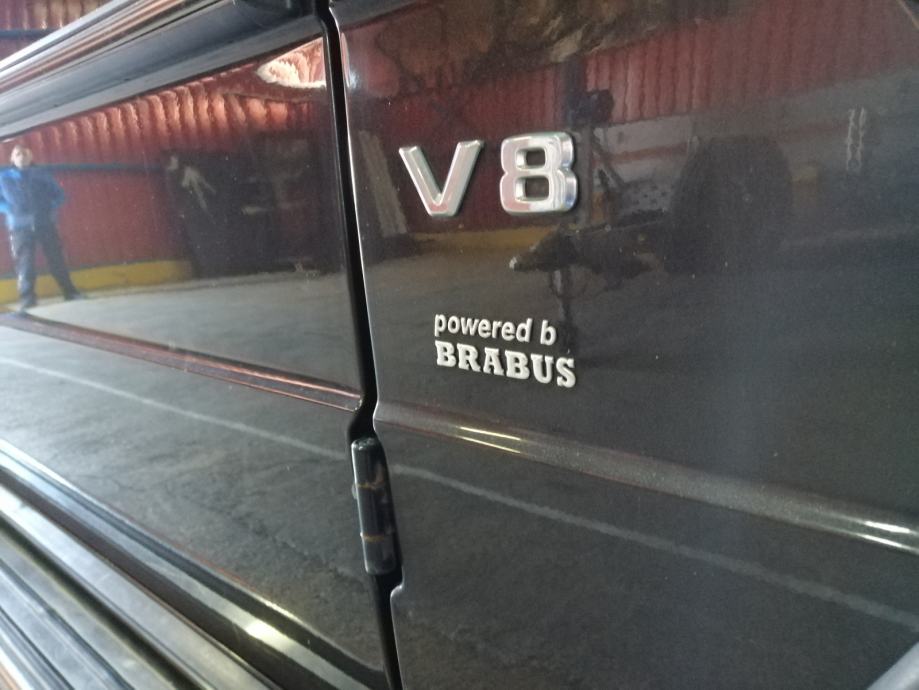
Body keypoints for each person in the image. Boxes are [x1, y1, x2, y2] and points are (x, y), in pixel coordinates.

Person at [0, 144, 81, 311]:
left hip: (45, 223)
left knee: (56, 259)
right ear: (12, 158)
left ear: (31, 157)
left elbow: (59, 195)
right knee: (25, 263)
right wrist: (10, 209)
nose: (22, 156)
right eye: (18, 154)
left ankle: (70, 292)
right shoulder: (4, 178)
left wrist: (48, 208)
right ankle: (27, 299)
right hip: (19, 227)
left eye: (25, 153)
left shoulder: (42, 175)